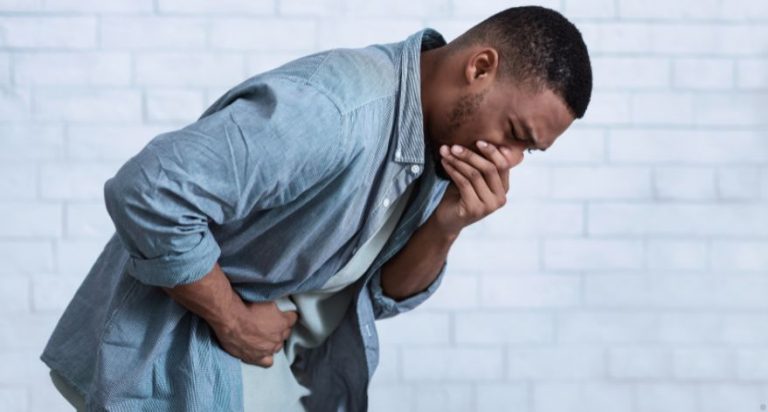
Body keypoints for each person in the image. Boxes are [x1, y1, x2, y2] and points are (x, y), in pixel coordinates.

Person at [41, 5, 592, 411]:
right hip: (176, 365)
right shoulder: (334, 110)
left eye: (530, 151)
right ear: (480, 68)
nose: (511, 161)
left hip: (274, 375)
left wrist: (448, 223)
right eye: (515, 134)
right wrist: (234, 321)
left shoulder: (437, 143)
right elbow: (148, 190)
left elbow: (380, 299)